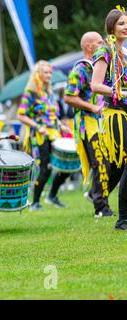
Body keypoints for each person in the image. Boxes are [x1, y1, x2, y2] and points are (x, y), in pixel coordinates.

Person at [64, 31, 120, 218]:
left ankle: (95, 194)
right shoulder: (80, 69)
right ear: (88, 46)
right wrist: (93, 108)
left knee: (112, 161)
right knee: (100, 162)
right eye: (98, 42)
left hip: (101, 122)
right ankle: (101, 207)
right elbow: (68, 96)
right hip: (87, 122)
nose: (103, 43)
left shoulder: (99, 66)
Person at [17, 60, 72, 211]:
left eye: (50, 73)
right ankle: (35, 202)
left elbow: (52, 115)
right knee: (45, 168)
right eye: (46, 72)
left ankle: (52, 195)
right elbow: (21, 115)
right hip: (39, 135)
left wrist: (61, 125)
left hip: (53, 133)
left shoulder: (49, 92)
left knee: (65, 165)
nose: (49, 75)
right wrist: (38, 127)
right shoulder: (30, 93)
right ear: (38, 74)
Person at [91, 8, 127, 230]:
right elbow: (94, 85)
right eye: (122, 23)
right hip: (115, 113)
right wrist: (121, 93)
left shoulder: (124, 52)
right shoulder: (105, 50)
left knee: (120, 165)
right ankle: (122, 218)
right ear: (112, 26)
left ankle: (100, 196)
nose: (126, 26)